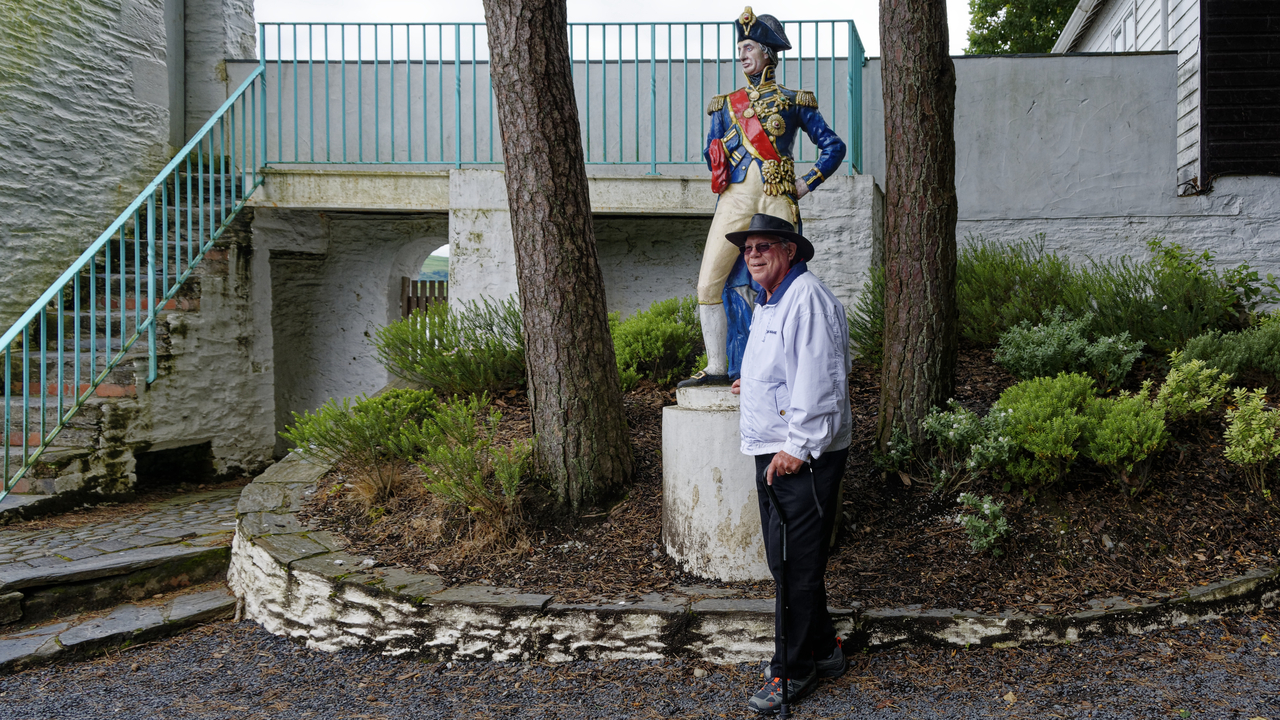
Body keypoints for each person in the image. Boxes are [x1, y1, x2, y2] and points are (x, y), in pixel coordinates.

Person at [678, 6, 846, 388]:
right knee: (709, 283)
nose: (742, 56)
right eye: (740, 48)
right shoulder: (725, 104)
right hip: (736, 197)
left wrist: (806, 183)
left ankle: (781, 363)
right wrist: (718, 149)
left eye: (749, 47)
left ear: (768, 53)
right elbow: (710, 156)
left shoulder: (795, 100)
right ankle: (719, 366)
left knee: (785, 284)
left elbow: (833, 147)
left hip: (776, 196)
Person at [728, 213, 851, 714]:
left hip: (802, 455)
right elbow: (785, 369)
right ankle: (823, 651)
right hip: (775, 448)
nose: (753, 254)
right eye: (748, 248)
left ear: (791, 251)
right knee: (786, 562)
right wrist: (751, 384)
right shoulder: (771, 301)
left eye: (765, 246)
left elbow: (821, 380)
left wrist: (799, 447)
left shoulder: (807, 299)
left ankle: (793, 670)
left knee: (796, 564)